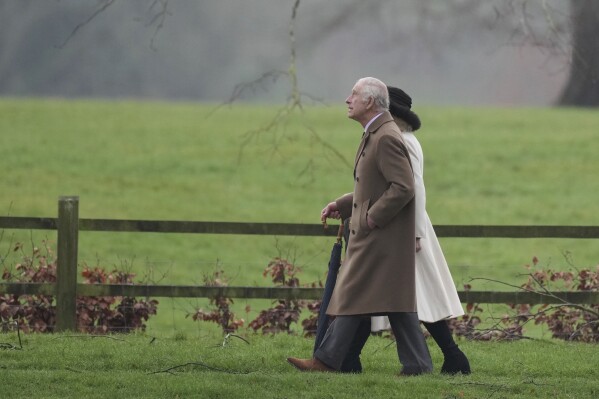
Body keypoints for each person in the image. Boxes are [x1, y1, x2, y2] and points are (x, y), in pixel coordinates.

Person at [287, 77, 433, 376]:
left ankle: (326, 361)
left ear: (369, 102)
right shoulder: (376, 133)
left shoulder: (386, 137)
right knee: (393, 301)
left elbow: (404, 187)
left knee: (355, 294)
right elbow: (375, 186)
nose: (347, 99)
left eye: (353, 94)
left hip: (380, 236)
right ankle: (417, 366)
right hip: (377, 236)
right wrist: (342, 205)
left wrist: (371, 218)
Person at [341, 86, 471, 375]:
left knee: (409, 298)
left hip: (407, 231)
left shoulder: (404, 141)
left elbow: (415, 190)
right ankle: (350, 357)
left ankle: (450, 357)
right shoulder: (400, 138)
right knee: (394, 295)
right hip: (403, 228)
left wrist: (415, 234)